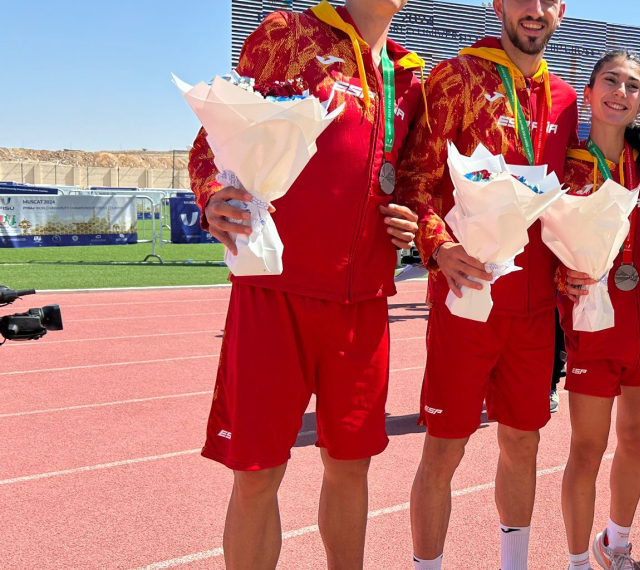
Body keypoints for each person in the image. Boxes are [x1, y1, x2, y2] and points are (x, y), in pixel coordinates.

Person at [188, 1, 424, 567]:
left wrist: (413, 213)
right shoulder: (286, 33)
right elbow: (212, 141)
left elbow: (415, 176)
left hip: (362, 303)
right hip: (276, 291)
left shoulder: (412, 75)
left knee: (350, 468)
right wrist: (211, 196)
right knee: (256, 475)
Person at [396, 0, 579, 568]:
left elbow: (562, 201)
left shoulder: (567, 98)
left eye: (548, 0)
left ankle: (514, 564)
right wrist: (439, 246)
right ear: (498, 4)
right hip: (467, 300)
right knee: (445, 448)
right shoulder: (455, 76)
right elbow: (415, 178)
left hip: (533, 308)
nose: (535, 9)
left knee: (524, 442)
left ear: (561, 10)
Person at [556, 50, 640, 570]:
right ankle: (578, 560)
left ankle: (617, 543)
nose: (620, 92)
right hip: (593, 324)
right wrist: (558, 274)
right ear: (588, 92)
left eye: (632, 86)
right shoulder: (561, 161)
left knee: (636, 437)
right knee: (586, 448)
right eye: (611, 81)